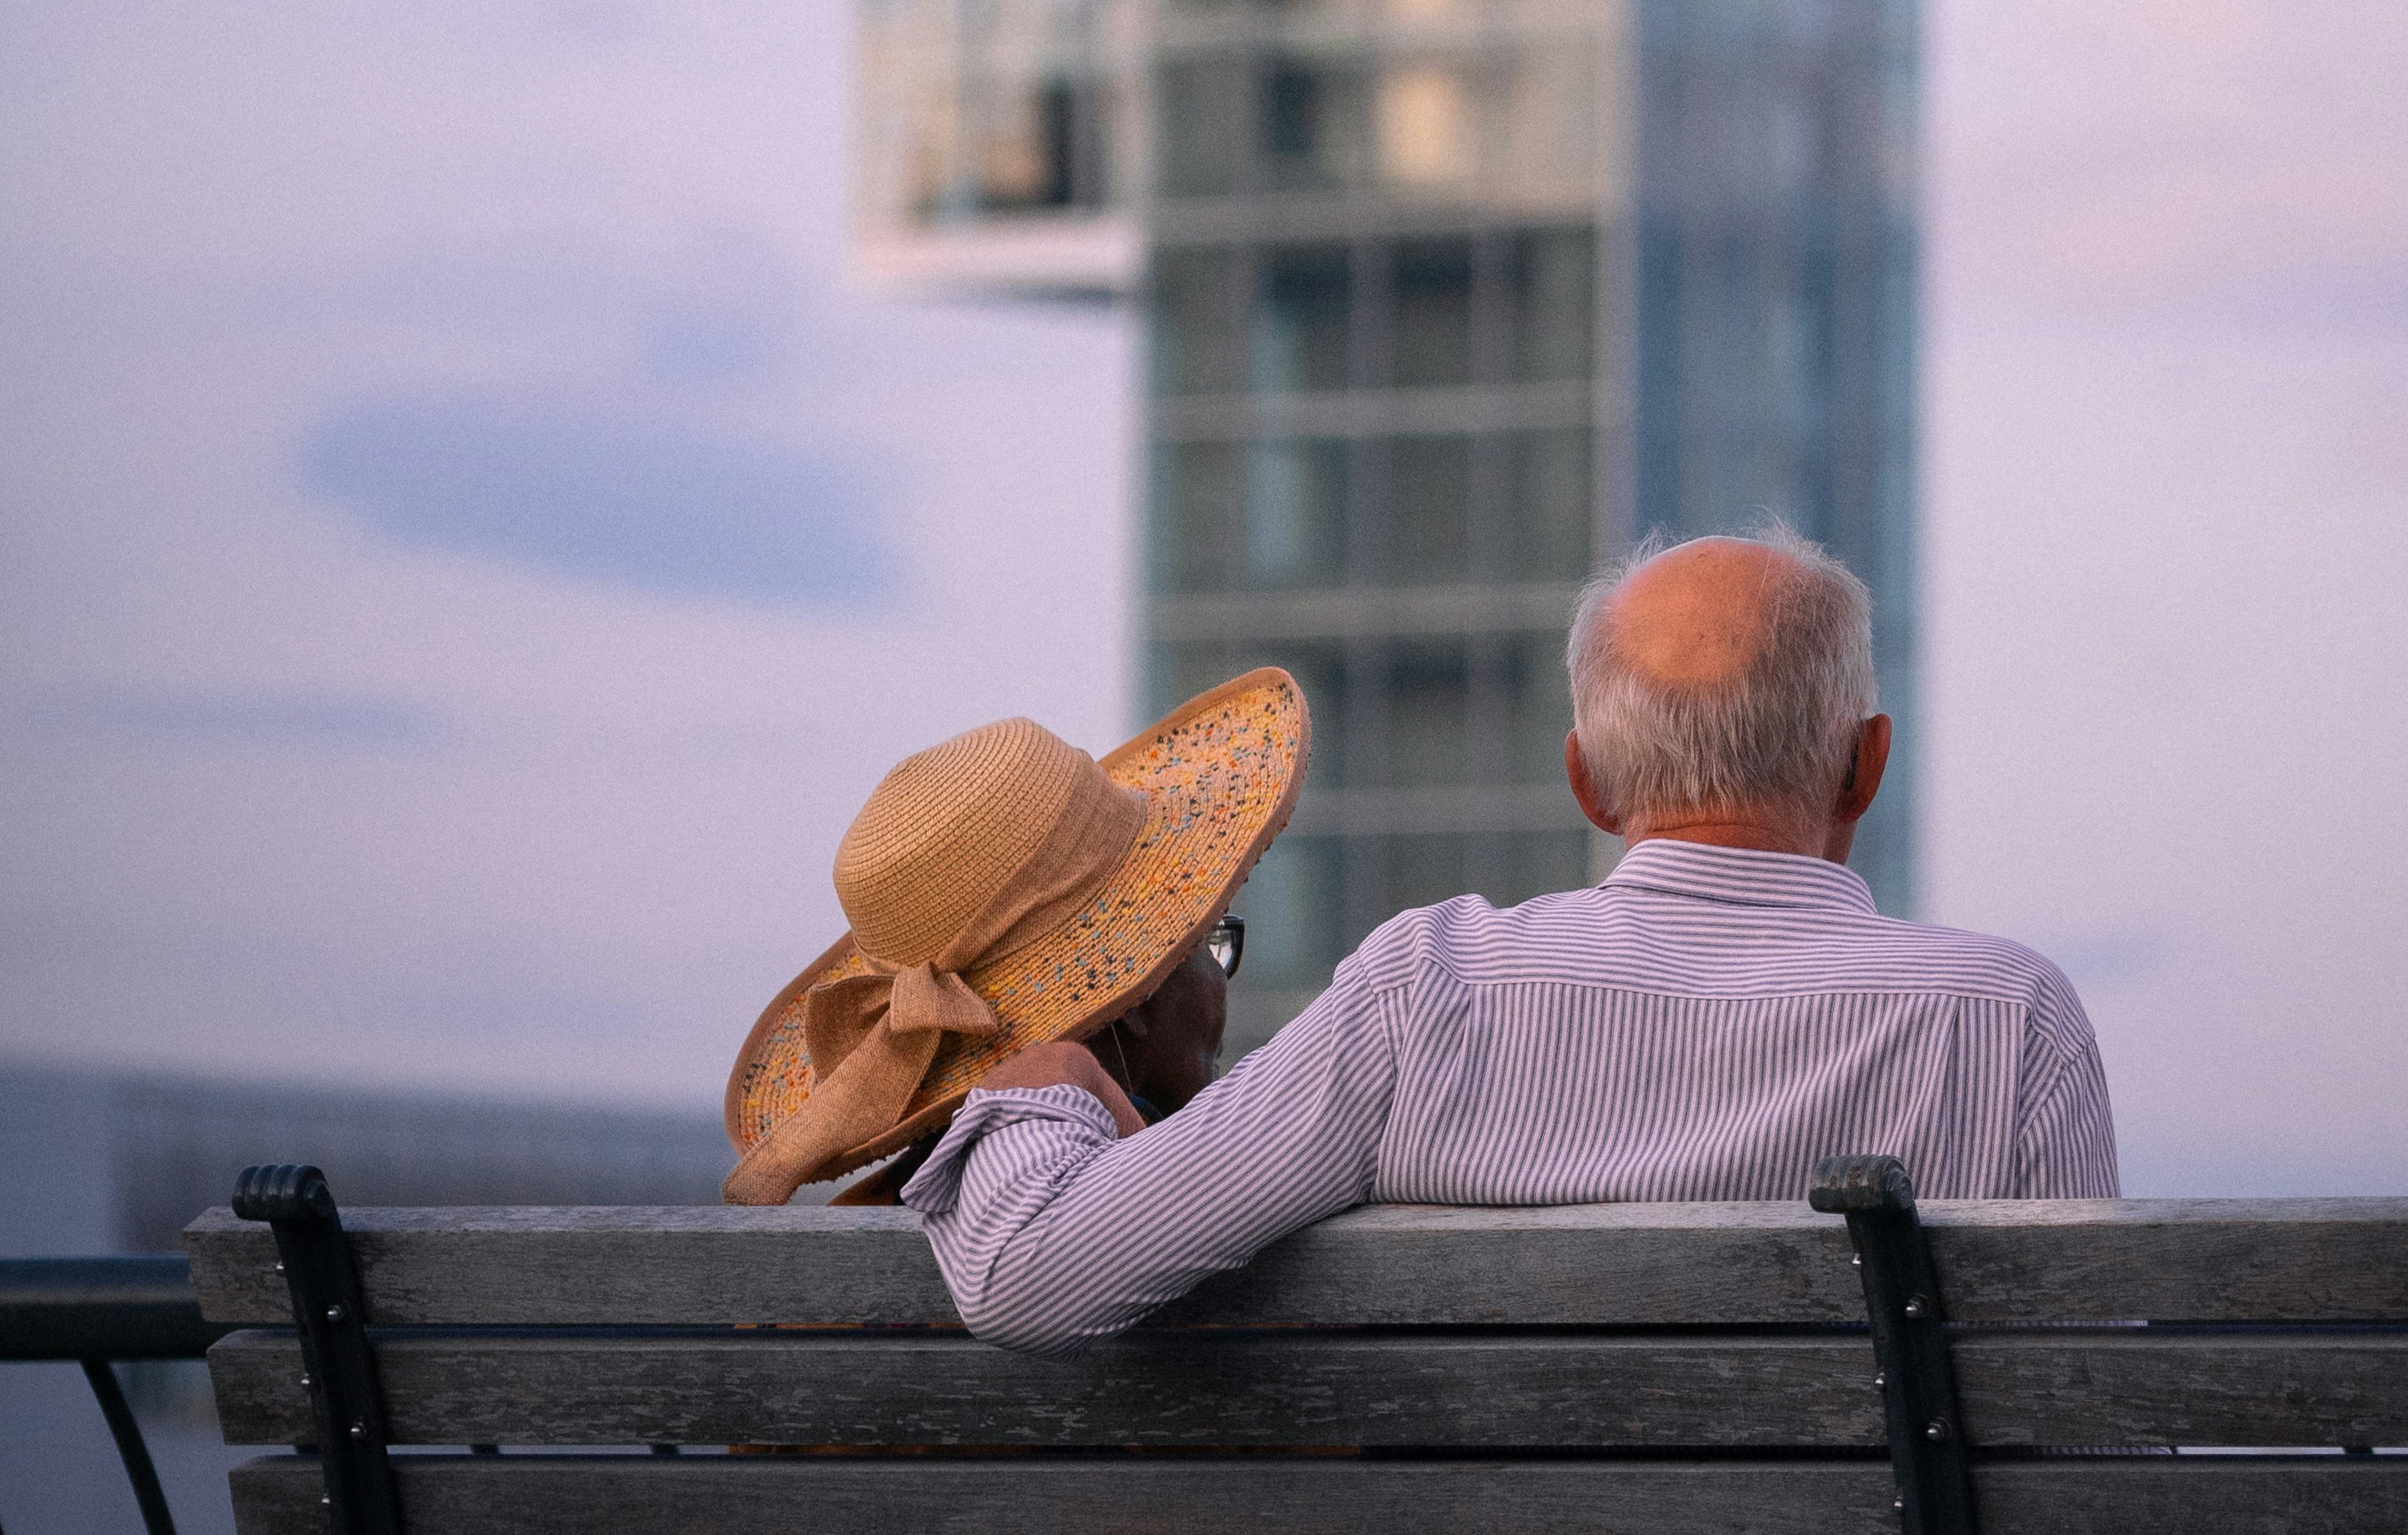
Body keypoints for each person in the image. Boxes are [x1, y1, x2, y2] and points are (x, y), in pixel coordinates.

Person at [909, 524, 2119, 1343]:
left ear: (1586, 781)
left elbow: (1027, 1271)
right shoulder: (2009, 1020)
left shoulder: (1427, 991)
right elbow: (2086, 1444)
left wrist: (1048, 1086)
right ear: (1864, 765)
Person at [717, 671, 1303, 1207]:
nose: (1218, 979)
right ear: (1133, 993)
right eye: (1207, 942)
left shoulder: (909, 1202)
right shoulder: (1175, 1202)